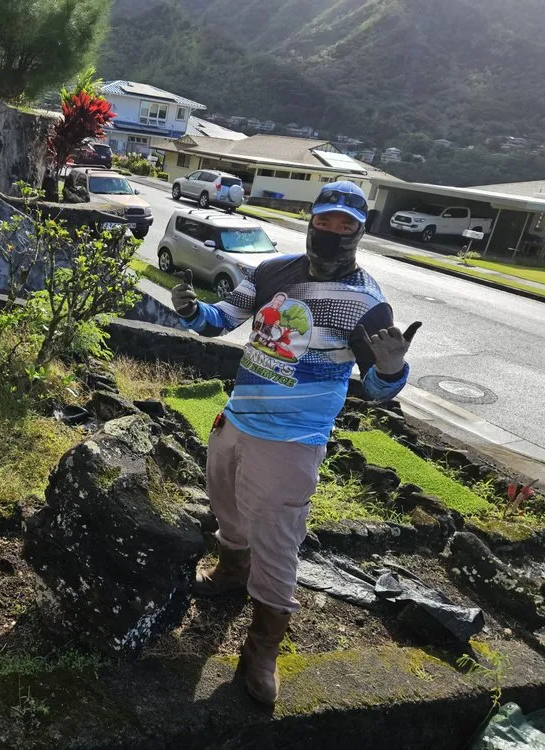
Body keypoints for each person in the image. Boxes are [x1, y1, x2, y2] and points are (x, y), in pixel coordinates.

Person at [170, 181, 421, 705]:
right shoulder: (271, 272)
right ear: (311, 220)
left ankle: (263, 646)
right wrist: (194, 311)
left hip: (292, 439)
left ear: (359, 231)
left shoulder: (367, 305)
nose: (332, 233)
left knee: (279, 542)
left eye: (345, 226)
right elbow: (224, 320)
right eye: (325, 221)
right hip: (238, 417)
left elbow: (376, 388)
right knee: (226, 506)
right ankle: (231, 570)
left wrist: (393, 369)